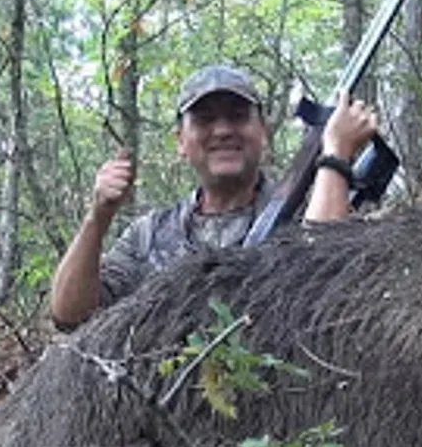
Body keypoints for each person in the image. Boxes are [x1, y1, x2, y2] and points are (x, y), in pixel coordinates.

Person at [50, 64, 379, 329]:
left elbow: (325, 283)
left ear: (263, 132)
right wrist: (98, 216)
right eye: (205, 119)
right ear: (181, 141)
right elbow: (69, 315)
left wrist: (336, 153)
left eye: (237, 115)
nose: (222, 130)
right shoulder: (149, 236)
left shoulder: (311, 212)